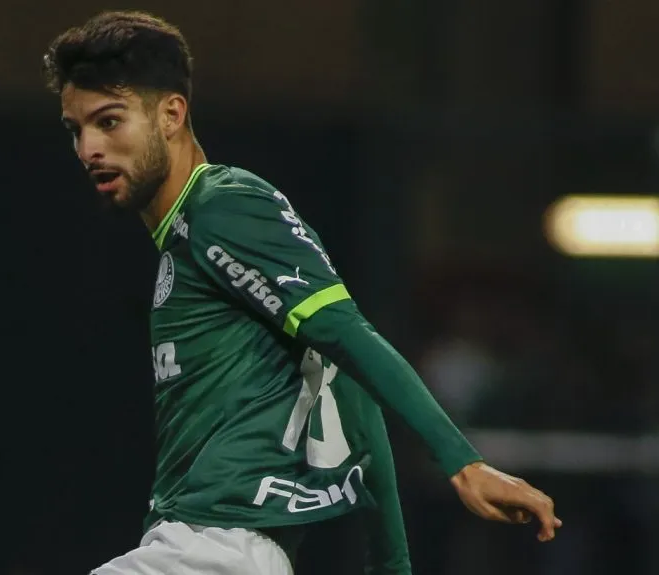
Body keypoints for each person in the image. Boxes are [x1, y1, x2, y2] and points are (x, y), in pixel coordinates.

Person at [42, 11, 561, 575]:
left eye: (109, 121)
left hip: (214, 552)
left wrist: (463, 462)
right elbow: (344, 370)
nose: (89, 147)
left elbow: (347, 337)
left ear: (171, 114)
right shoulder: (191, 238)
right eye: (77, 129)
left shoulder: (224, 207)